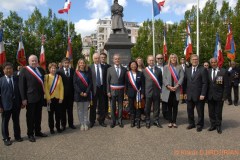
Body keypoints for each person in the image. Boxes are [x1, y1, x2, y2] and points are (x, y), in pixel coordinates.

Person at [19, 55, 47, 142]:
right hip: (30, 98)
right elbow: (21, 85)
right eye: (32, 61)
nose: (34, 62)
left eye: (35, 60)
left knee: (38, 116)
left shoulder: (41, 70)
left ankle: (38, 131)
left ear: (37, 61)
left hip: (40, 97)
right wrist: (23, 98)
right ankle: (30, 134)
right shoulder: (24, 70)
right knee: (30, 117)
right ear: (29, 61)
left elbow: (45, 82)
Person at [0, 62, 23, 146]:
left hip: (16, 105)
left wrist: (22, 102)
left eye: (10, 68)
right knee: (5, 122)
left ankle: (17, 136)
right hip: (5, 105)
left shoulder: (16, 79)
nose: (9, 70)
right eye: (7, 69)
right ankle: (6, 138)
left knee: (16, 121)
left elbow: (20, 92)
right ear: (3, 70)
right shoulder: (1, 80)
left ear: (13, 70)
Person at [184, 54, 208, 132]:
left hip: (199, 95)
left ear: (198, 60)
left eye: (196, 59)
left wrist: (203, 94)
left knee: (200, 111)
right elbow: (185, 82)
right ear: (191, 61)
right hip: (189, 94)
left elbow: (205, 83)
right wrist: (184, 93)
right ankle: (191, 123)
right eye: (193, 59)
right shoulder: (187, 69)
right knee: (189, 110)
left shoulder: (203, 69)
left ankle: (200, 125)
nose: (195, 61)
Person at [162, 54, 184, 128]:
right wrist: (168, 86)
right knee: (169, 106)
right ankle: (170, 121)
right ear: (169, 59)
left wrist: (177, 86)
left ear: (176, 58)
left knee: (175, 106)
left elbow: (182, 77)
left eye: (175, 57)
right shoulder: (166, 67)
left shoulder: (179, 67)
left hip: (176, 89)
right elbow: (164, 78)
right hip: (168, 89)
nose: (173, 59)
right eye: (172, 58)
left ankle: (174, 121)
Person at [207, 58, 229, 134]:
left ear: (217, 62)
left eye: (215, 62)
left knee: (218, 112)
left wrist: (224, 96)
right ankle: (212, 125)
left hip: (219, 96)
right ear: (210, 63)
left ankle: (218, 126)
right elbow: (206, 84)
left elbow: (226, 85)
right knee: (211, 112)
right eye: (212, 62)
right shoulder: (208, 71)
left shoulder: (223, 71)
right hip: (210, 96)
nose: (213, 64)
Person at [143, 55, 162, 129]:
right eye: (150, 60)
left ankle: (156, 120)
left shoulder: (158, 70)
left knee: (156, 107)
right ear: (147, 61)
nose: (151, 62)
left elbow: (160, 81)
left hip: (156, 92)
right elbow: (143, 83)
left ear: (155, 61)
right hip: (148, 92)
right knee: (147, 108)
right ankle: (147, 120)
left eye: (152, 60)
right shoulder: (144, 71)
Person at [107, 54, 127, 128]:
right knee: (112, 106)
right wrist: (108, 91)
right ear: (113, 60)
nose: (117, 60)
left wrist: (125, 92)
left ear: (120, 60)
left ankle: (120, 121)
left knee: (120, 106)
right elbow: (107, 81)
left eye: (118, 59)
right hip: (112, 91)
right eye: (115, 59)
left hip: (121, 91)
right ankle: (113, 121)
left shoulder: (124, 69)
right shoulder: (110, 69)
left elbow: (125, 81)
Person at [44, 63, 64, 134]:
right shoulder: (46, 77)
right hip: (50, 99)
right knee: (50, 115)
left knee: (58, 115)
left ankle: (58, 127)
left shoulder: (59, 77)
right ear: (49, 69)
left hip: (58, 99)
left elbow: (61, 88)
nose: (53, 69)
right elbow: (45, 88)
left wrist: (61, 98)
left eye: (54, 68)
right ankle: (51, 129)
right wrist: (48, 98)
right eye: (51, 68)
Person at [74, 59, 92, 131]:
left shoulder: (88, 72)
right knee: (80, 110)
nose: (82, 64)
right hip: (79, 94)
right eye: (80, 63)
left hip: (86, 94)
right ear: (78, 64)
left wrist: (86, 92)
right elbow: (74, 84)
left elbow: (90, 83)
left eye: (83, 63)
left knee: (85, 110)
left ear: (85, 64)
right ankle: (81, 123)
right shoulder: (76, 73)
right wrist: (80, 92)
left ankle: (85, 123)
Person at [58, 58, 76, 130]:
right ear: (62, 64)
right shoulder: (59, 72)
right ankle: (63, 125)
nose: (66, 64)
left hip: (71, 95)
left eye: (67, 63)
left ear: (69, 64)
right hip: (62, 95)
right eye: (65, 63)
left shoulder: (73, 71)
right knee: (62, 111)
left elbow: (74, 83)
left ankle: (71, 124)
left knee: (70, 111)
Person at [90, 53, 107, 128]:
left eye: (98, 58)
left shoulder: (104, 67)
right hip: (93, 89)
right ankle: (92, 121)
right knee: (93, 106)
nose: (97, 60)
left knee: (102, 106)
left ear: (100, 58)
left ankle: (102, 121)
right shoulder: (90, 67)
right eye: (95, 58)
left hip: (102, 88)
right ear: (93, 59)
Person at [125, 61, 144, 128]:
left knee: (138, 108)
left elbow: (143, 84)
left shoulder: (140, 73)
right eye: (132, 65)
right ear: (130, 66)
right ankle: (132, 121)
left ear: (136, 65)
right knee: (131, 107)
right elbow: (126, 85)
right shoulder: (127, 74)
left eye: (135, 64)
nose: (133, 66)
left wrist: (142, 93)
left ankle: (138, 121)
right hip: (130, 94)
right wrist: (126, 93)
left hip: (138, 94)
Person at [155, 54, 168, 120]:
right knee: (156, 101)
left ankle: (165, 114)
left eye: (161, 58)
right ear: (156, 59)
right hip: (156, 86)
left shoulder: (167, 66)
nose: (160, 59)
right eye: (158, 58)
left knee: (165, 100)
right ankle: (156, 115)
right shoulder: (153, 66)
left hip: (165, 86)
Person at [100, 52, 111, 120]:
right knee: (100, 102)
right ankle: (100, 114)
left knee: (106, 101)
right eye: (102, 57)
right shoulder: (98, 66)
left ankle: (106, 114)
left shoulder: (109, 66)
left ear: (106, 58)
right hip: (99, 86)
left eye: (104, 57)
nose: (103, 59)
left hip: (107, 86)